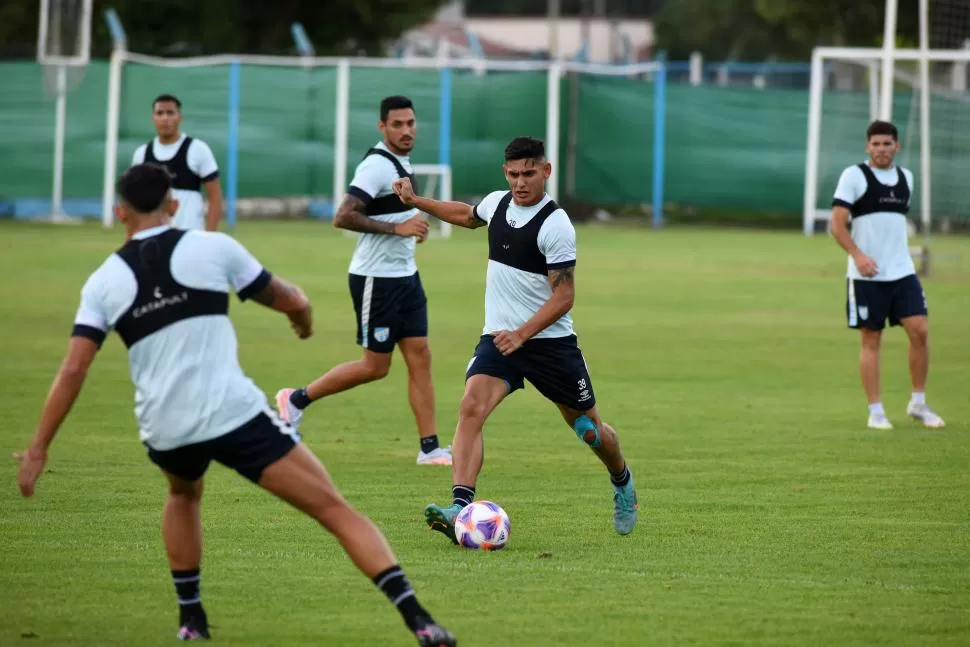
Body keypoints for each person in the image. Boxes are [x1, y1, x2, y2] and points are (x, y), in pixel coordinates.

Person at [14, 164, 457, 647]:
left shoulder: (103, 282)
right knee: (335, 510)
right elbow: (288, 298)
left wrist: (38, 449)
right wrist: (303, 320)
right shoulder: (212, 248)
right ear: (175, 205)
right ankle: (419, 620)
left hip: (164, 426)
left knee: (183, 495)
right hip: (233, 414)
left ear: (119, 211)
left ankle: (191, 620)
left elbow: (73, 370)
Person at [391, 136, 639, 541]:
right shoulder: (498, 203)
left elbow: (565, 296)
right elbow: (468, 215)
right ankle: (460, 504)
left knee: (590, 431)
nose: (520, 182)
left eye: (528, 173)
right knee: (471, 406)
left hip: (549, 345)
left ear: (546, 171)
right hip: (500, 340)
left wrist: (523, 334)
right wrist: (419, 202)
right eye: (512, 174)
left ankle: (622, 480)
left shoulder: (556, 225)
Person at [276, 96, 451, 466]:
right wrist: (398, 228)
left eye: (410, 123)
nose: (406, 131)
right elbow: (342, 216)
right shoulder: (375, 166)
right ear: (382, 127)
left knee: (420, 356)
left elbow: (395, 213)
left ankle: (430, 447)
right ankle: (295, 400)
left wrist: (411, 228)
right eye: (397, 125)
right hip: (376, 279)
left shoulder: (402, 161)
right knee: (375, 366)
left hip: (406, 277)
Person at [830, 120, 945, 430]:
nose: (881, 149)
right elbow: (837, 224)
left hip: (902, 272)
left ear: (897, 146)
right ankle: (876, 411)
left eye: (887, 144)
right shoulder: (853, 176)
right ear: (868, 146)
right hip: (866, 276)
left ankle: (918, 403)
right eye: (876, 144)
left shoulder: (906, 177)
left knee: (919, 330)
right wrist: (858, 255)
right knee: (872, 339)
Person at [131, 94, 223, 231]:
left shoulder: (197, 149)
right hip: (155, 241)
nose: (165, 118)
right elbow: (135, 201)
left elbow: (215, 196)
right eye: (159, 113)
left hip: (190, 238)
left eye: (170, 113)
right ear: (153, 118)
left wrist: (209, 236)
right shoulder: (141, 155)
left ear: (180, 117)